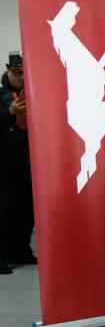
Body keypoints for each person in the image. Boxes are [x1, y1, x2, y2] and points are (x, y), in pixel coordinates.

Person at [0, 51, 33, 273]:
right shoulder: (1, 95)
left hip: (28, 160)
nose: (21, 77)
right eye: (16, 72)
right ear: (8, 72)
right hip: (4, 162)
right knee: (4, 211)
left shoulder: (33, 93)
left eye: (24, 73)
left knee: (26, 210)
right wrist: (10, 112)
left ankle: (21, 251)